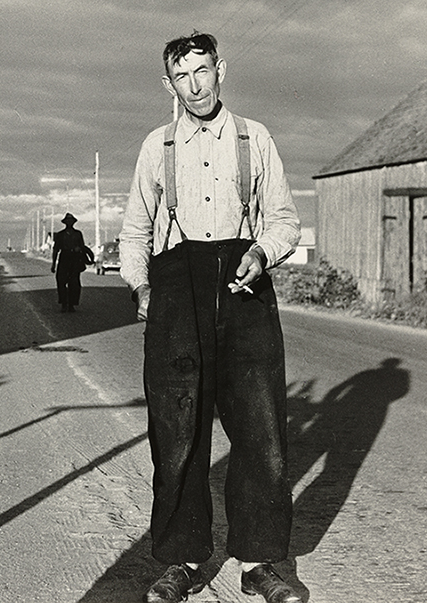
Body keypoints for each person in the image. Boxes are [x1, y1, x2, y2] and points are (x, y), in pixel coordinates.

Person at [119, 33, 302, 603]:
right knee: (178, 435)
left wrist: (261, 254)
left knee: (262, 433)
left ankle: (263, 563)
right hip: (177, 296)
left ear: (220, 69)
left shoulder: (256, 137)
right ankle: (180, 560)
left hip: (245, 294)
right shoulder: (158, 146)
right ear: (168, 84)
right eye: (182, 76)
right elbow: (134, 230)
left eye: (204, 71)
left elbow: (285, 222)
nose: (195, 85)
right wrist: (142, 287)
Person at [50, 212, 91, 312]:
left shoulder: (78, 234)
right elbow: (56, 250)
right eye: (68, 221)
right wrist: (53, 264)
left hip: (75, 260)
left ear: (73, 223)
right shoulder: (60, 235)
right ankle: (64, 304)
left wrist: (82, 253)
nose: (69, 223)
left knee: (74, 283)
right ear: (65, 223)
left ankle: (71, 304)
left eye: (71, 221)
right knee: (61, 282)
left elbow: (83, 247)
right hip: (64, 259)